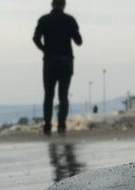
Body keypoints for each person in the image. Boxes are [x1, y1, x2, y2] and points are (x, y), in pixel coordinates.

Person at [33, 0, 83, 136]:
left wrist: (45, 50)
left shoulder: (44, 20)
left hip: (49, 61)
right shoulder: (70, 20)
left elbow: (35, 38)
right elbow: (79, 41)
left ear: (52, 5)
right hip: (66, 61)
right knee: (63, 95)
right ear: (64, 5)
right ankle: (61, 126)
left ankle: (47, 127)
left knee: (48, 96)